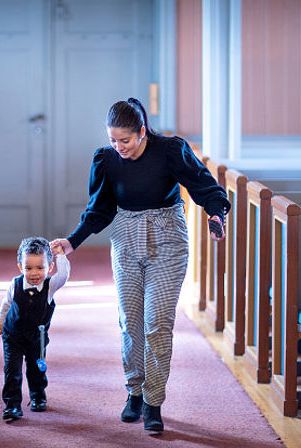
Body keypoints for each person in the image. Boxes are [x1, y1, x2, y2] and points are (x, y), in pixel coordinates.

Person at [50, 98, 229, 432]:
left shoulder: (171, 150)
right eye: (113, 140)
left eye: (125, 140)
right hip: (126, 239)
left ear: (142, 132)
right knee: (130, 322)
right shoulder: (106, 159)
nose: (119, 147)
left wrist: (216, 214)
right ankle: (134, 391)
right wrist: (72, 241)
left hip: (168, 238)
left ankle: (154, 401)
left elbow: (204, 185)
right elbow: (99, 209)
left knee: (157, 323)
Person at [0, 237, 71, 420]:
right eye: (28, 268)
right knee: (12, 370)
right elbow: (6, 304)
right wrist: (0, 321)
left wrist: (60, 256)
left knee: (36, 369)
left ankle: (38, 397)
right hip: (13, 335)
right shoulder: (15, 284)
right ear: (21, 268)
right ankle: (12, 405)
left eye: (40, 268)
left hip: (36, 338)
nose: (34, 273)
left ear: (49, 268)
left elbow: (64, 276)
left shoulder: (50, 286)